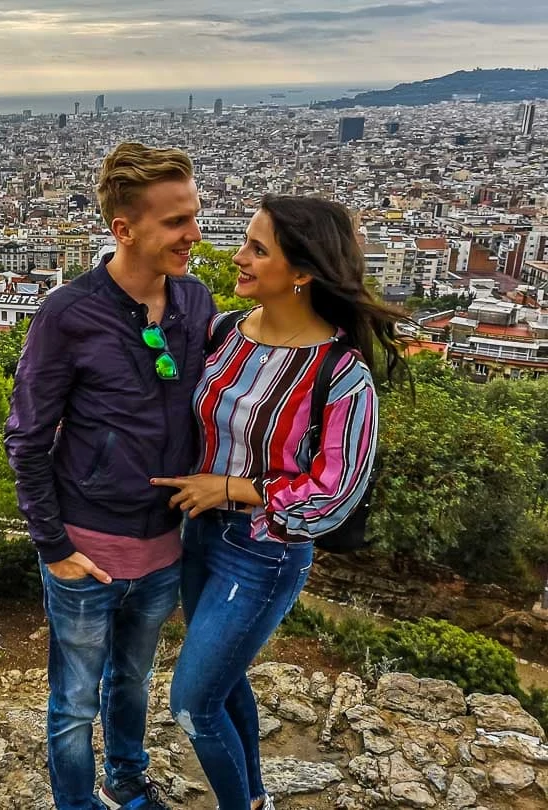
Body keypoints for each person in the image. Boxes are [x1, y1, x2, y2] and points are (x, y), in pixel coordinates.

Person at [151, 194, 408, 810]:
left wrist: (233, 487)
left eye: (257, 249)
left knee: (191, 703)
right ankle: (256, 798)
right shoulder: (223, 334)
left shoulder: (341, 375)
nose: (238, 258)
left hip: (262, 553)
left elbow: (336, 491)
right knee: (221, 680)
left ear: (302, 273)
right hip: (200, 535)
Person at [4, 142, 216, 810]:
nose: (194, 234)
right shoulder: (69, 314)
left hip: (162, 548)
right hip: (87, 549)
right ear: (124, 229)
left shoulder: (196, 302)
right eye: (176, 221)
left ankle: (127, 781)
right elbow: (27, 436)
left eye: (193, 215)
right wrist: (54, 547)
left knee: (133, 680)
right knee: (73, 701)